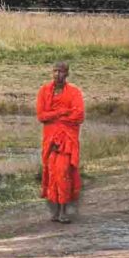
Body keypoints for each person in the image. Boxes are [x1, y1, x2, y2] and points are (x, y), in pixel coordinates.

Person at [36, 61, 85, 223]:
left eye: (61, 71)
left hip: (66, 141)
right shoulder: (44, 91)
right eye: (55, 71)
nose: (57, 74)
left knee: (64, 172)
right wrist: (62, 112)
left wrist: (55, 116)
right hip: (50, 141)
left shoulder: (74, 92)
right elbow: (41, 116)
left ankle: (64, 211)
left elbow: (78, 116)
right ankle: (55, 211)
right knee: (51, 174)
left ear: (67, 74)